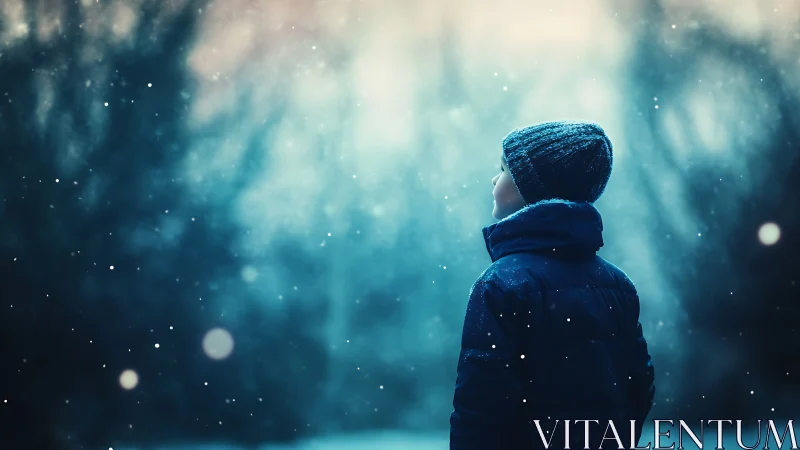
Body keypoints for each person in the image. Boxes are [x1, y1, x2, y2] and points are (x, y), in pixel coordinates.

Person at [449, 121, 656, 450]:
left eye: (503, 169)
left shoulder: (501, 283)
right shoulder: (617, 285)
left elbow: (482, 402)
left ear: (531, 188)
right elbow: (638, 385)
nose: (493, 178)